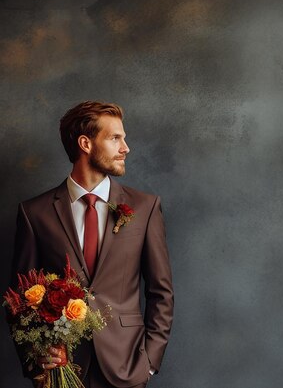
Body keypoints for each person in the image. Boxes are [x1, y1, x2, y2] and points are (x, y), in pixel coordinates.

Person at [9, 101, 174, 388]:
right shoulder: (34, 213)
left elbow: (161, 293)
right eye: (115, 138)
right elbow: (19, 298)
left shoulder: (145, 208)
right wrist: (36, 362)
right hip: (62, 370)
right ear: (85, 143)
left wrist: (147, 364)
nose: (126, 148)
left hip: (127, 367)